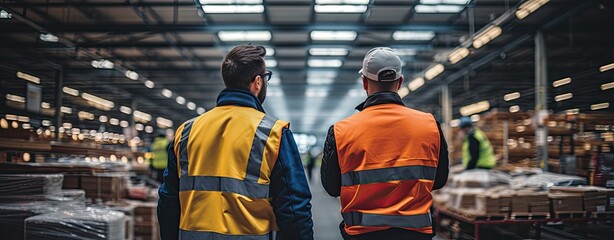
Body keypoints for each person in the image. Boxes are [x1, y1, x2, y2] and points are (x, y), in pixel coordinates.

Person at [157, 45, 314, 240]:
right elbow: (294, 207)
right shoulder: (273, 133)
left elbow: (168, 201)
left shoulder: (186, 132)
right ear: (257, 82)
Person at [320, 47, 449, 240]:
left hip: (362, 234)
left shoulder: (340, 131)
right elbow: (439, 180)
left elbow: (331, 187)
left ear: (364, 82)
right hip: (416, 234)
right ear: (400, 82)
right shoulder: (430, 125)